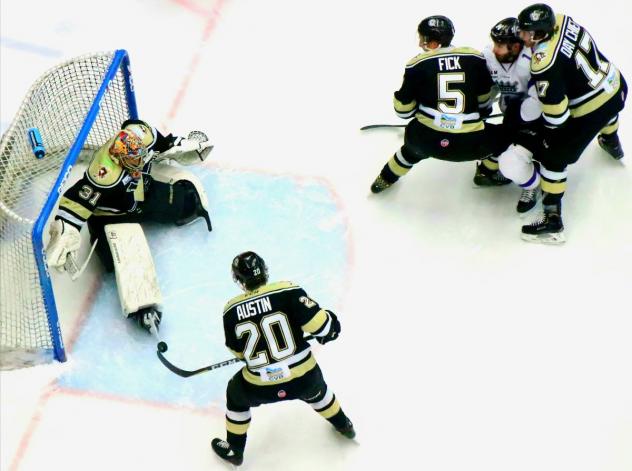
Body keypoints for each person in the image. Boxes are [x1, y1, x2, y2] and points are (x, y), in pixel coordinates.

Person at [45, 119, 214, 333]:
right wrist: (66, 227)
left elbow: (162, 143)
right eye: (133, 160)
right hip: (111, 215)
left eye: (140, 156)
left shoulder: (141, 135)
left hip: (141, 196)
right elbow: (77, 202)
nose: (139, 162)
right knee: (120, 258)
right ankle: (143, 307)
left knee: (186, 204)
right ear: (119, 157)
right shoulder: (104, 174)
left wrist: (180, 145)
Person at [496, 3, 627, 243]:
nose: (522, 36)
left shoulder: (542, 61)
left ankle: (552, 220)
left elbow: (557, 116)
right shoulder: (561, 18)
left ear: (539, 34)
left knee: (553, 157)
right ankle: (610, 138)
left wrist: (543, 135)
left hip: (593, 106)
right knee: (608, 111)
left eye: (526, 33)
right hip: (615, 84)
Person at [212, 251, 355, 466]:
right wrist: (331, 325)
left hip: (259, 386)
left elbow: (239, 353)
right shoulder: (288, 290)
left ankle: (235, 448)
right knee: (319, 392)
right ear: (264, 270)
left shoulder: (230, 310)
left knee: (235, 393)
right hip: (303, 379)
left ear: (239, 280)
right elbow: (323, 327)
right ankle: (344, 426)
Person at [370, 15, 507, 194]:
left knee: (409, 151)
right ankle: (485, 172)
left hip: (425, 141)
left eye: (422, 39)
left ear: (433, 43)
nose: (420, 44)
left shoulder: (416, 64)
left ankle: (385, 178)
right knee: (506, 139)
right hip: (472, 145)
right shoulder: (474, 57)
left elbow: (403, 111)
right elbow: (484, 102)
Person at [478, 17, 544, 214]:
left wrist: (517, 117)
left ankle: (531, 184)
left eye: (501, 45)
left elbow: (540, 101)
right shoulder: (488, 56)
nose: (495, 49)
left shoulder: (533, 60)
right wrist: (481, 107)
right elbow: (489, 87)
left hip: (537, 119)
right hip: (511, 114)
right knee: (490, 145)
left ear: (516, 46)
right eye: (495, 43)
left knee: (515, 160)